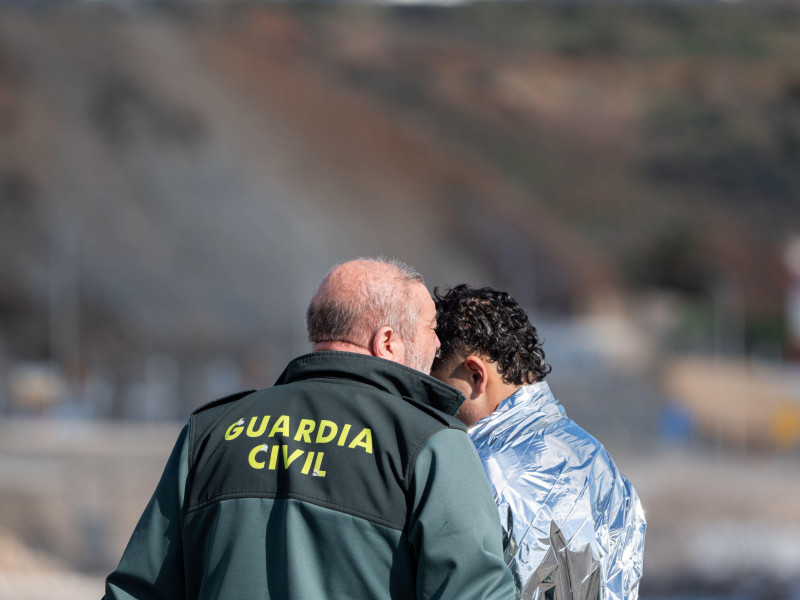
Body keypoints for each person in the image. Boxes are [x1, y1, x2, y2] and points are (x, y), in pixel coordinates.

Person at [103, 259, 516, 600]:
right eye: (431, 329)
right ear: (388, 341)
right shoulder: (432, 444)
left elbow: (138, 590)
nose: (438, 345)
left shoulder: (210, 431)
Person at [431, 284, 646, 600]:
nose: (433, 409)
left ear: (476, 375)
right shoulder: (602, 464)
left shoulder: (471, 469)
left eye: (437, 391)